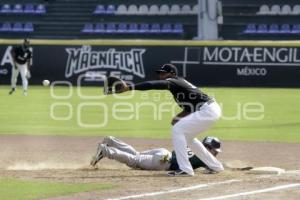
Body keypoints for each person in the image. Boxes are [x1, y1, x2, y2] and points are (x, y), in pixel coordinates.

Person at [119, 63, 224, 176]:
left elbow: (153, 85)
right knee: (188, 138)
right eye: (160, 73)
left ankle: (185, 169)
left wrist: (129, 87)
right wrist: (179, 117)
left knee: (177, 130)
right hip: (209, 109)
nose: (161, 75)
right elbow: (190, 108)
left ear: (172, 74)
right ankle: (215, 166)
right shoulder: (178, 87)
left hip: (207, 110)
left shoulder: (174, 81)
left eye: (164, 73)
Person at [90, 136, 222, 174]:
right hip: (163, 162)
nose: (215, 154)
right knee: (134, 160)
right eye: (214, 150)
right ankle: (106, 151)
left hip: (163, 153)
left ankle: (111, 141)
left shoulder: (193, 145)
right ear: (208, 147)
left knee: (136, 155)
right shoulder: (205, 157)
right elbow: (215, 168)